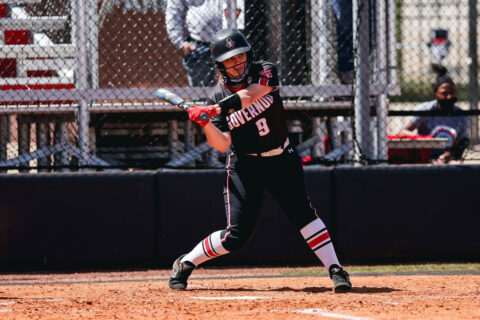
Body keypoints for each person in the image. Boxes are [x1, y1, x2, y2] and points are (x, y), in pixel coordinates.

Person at [168, 28, 352, 293]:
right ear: (220, 65)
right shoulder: (216, 97)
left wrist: (215, 110)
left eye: (240, 56)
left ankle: (336, 270)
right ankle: (185, 263)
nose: (237, 63)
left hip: (282, 158)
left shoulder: (264, 70)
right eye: (230, 60)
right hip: (246, 166)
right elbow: (221, 143)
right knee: (236, 237)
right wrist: (206, 122)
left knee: (303, 213)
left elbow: (254, 94)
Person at [397, 65, 470, 164]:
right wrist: (425, 140)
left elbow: (462, 142)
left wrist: (447, 155)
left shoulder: (461, 115)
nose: (449, 97)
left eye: (452, 92)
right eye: (444, 93)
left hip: (447, 157)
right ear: (435, 94)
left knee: (457, 164)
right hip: (425, 156)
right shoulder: (425, 109)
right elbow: (402, 132)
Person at [165, 0, 222, 87]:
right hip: (198, 46)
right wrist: (180, 43)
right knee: (200, 92)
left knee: (232, 89)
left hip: (228, 43)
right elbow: (173, 13)